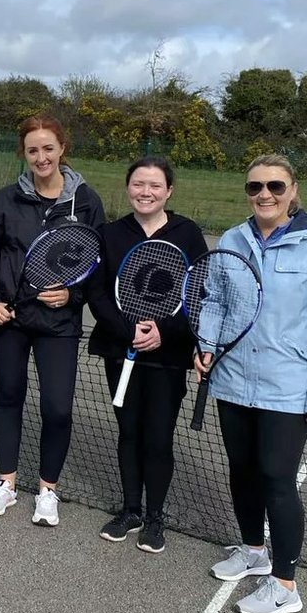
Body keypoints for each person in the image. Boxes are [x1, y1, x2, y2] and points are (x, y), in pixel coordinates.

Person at [197, 154, 307, 613]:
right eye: (255, 186)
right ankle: (253, 549)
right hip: (234, 380)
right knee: (241, 470)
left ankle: (284, 585)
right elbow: (216, 301)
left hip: (289, 386)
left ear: (293, 191)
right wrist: (206, 343)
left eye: (275, 187)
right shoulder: (234, 240)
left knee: (278, 480)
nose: (265, 195)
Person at [0, 116, 105, 527]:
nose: (41, 157)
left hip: (59, 323)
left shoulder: (86, 201)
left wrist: (74, 295)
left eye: (48, 148)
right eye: (33, 150)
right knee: (8, 396)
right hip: (10, 320)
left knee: (57, 408)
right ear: (25, 153)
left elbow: (97, 263)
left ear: (62, 148)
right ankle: (7, 483)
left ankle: (48, 489)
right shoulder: (5, 198)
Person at [87, 156, 207, 552]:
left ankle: (155, 518)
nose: (146, 192)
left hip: (167, 356)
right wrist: (127, 330)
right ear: (128, 188)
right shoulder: (110, 233)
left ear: (168, 191)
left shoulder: (187, 233)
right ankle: (131, 510)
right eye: (139, 184)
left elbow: (199, 292)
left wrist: (163, 331)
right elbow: (98, 292)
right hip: (122, 353)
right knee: (129, 432)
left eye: (155, 186)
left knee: (158, 438)